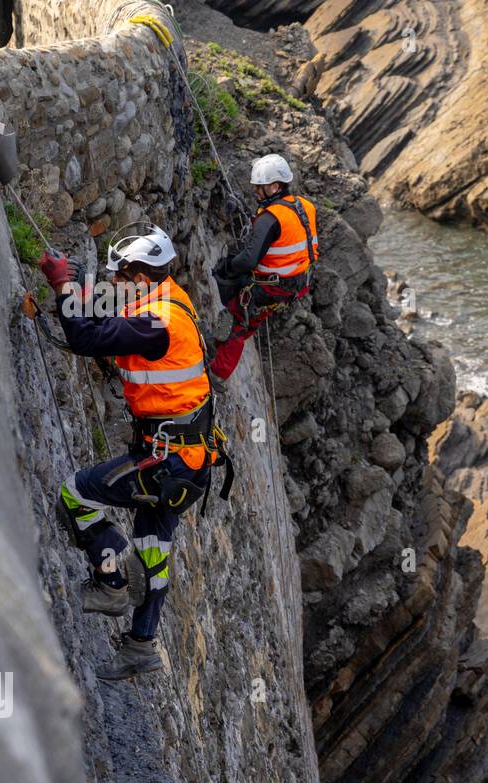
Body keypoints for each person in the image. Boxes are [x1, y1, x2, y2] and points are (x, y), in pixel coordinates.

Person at [39, 226, 220, 681]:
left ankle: (113, 581)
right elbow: (109, 330)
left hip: (165, 463)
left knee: (74, 495)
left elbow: (88, 338)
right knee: (154, 552)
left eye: (120, 277)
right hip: (189, 464)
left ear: (140, 276)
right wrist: (75, 300)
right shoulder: (171, 302)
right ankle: (141, 646)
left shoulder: (157, 322)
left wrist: (64, 286)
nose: (116, 284)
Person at [209, 153, 319, 380]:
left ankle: (216, 375)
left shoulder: (270, 218)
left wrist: (227, 267)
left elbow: (249, 260)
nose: (255, 191)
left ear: (275, 186)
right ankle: (246, 324)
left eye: (260, 187)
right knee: (253, 315)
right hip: (299, 282)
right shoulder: (305, 206)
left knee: (235, 320)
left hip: (272, 288)